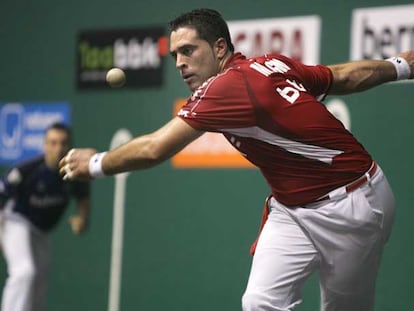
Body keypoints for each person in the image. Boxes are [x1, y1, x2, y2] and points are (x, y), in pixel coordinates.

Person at [59, 8, 414, 311]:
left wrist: (94, 164)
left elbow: (155, 147)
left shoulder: (225, 88)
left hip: (353, 204)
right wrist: (399, 66)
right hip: (292, 208)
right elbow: (342, 76)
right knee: (260, 302)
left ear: (219, 47)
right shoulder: (268, 64)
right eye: (174, 56)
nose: (180, 63)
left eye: (188, 51)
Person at [0, 122, 91, 311]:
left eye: (63, 143)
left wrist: (82, 218)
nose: (58, 148)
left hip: (42, 230)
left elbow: (83, 197)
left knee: (39, 279)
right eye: (53, 142)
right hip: (15, 221)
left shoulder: (72, 172)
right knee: (24, 271)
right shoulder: (28, 170)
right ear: (44, 145)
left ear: (70, 145)